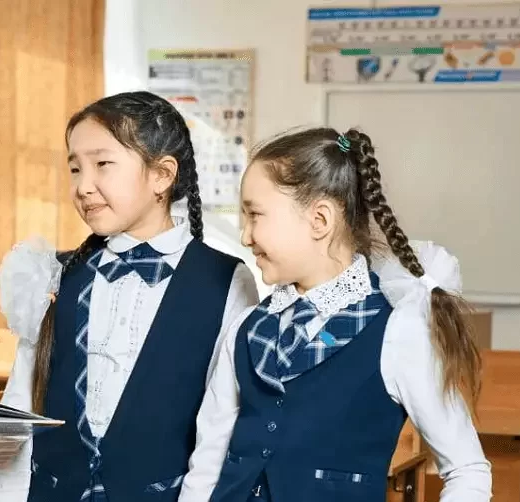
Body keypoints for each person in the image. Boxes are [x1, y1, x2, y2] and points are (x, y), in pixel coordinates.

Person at [194, 127, 491, 501]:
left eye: (255, 215)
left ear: (320, 220)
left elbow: (467, 471)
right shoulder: (248, 327)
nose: (245, 236)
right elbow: (207, 462)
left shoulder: (398, 331)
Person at [0, 91, 260, 501]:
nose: (83, 186)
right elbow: (18, 412)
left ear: (162, 175)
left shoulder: (227, 281)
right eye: (75, 168)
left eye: (102, 164)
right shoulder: (51, 272)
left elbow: (221, 433)